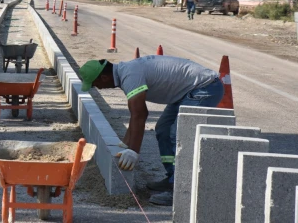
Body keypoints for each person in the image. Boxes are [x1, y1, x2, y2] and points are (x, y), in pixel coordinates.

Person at [79, 55, 224, 206]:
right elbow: (135, 113)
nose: (98, 88)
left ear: (104, 77)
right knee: (164, 129)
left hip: (205, 87)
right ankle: (172, 177)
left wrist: (133, 151)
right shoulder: (126, 73)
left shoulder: (130, 76)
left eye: (96, 84)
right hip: (187, 91)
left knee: (180, 134)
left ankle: (181, 190)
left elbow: (140, 114)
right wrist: (125, 143)